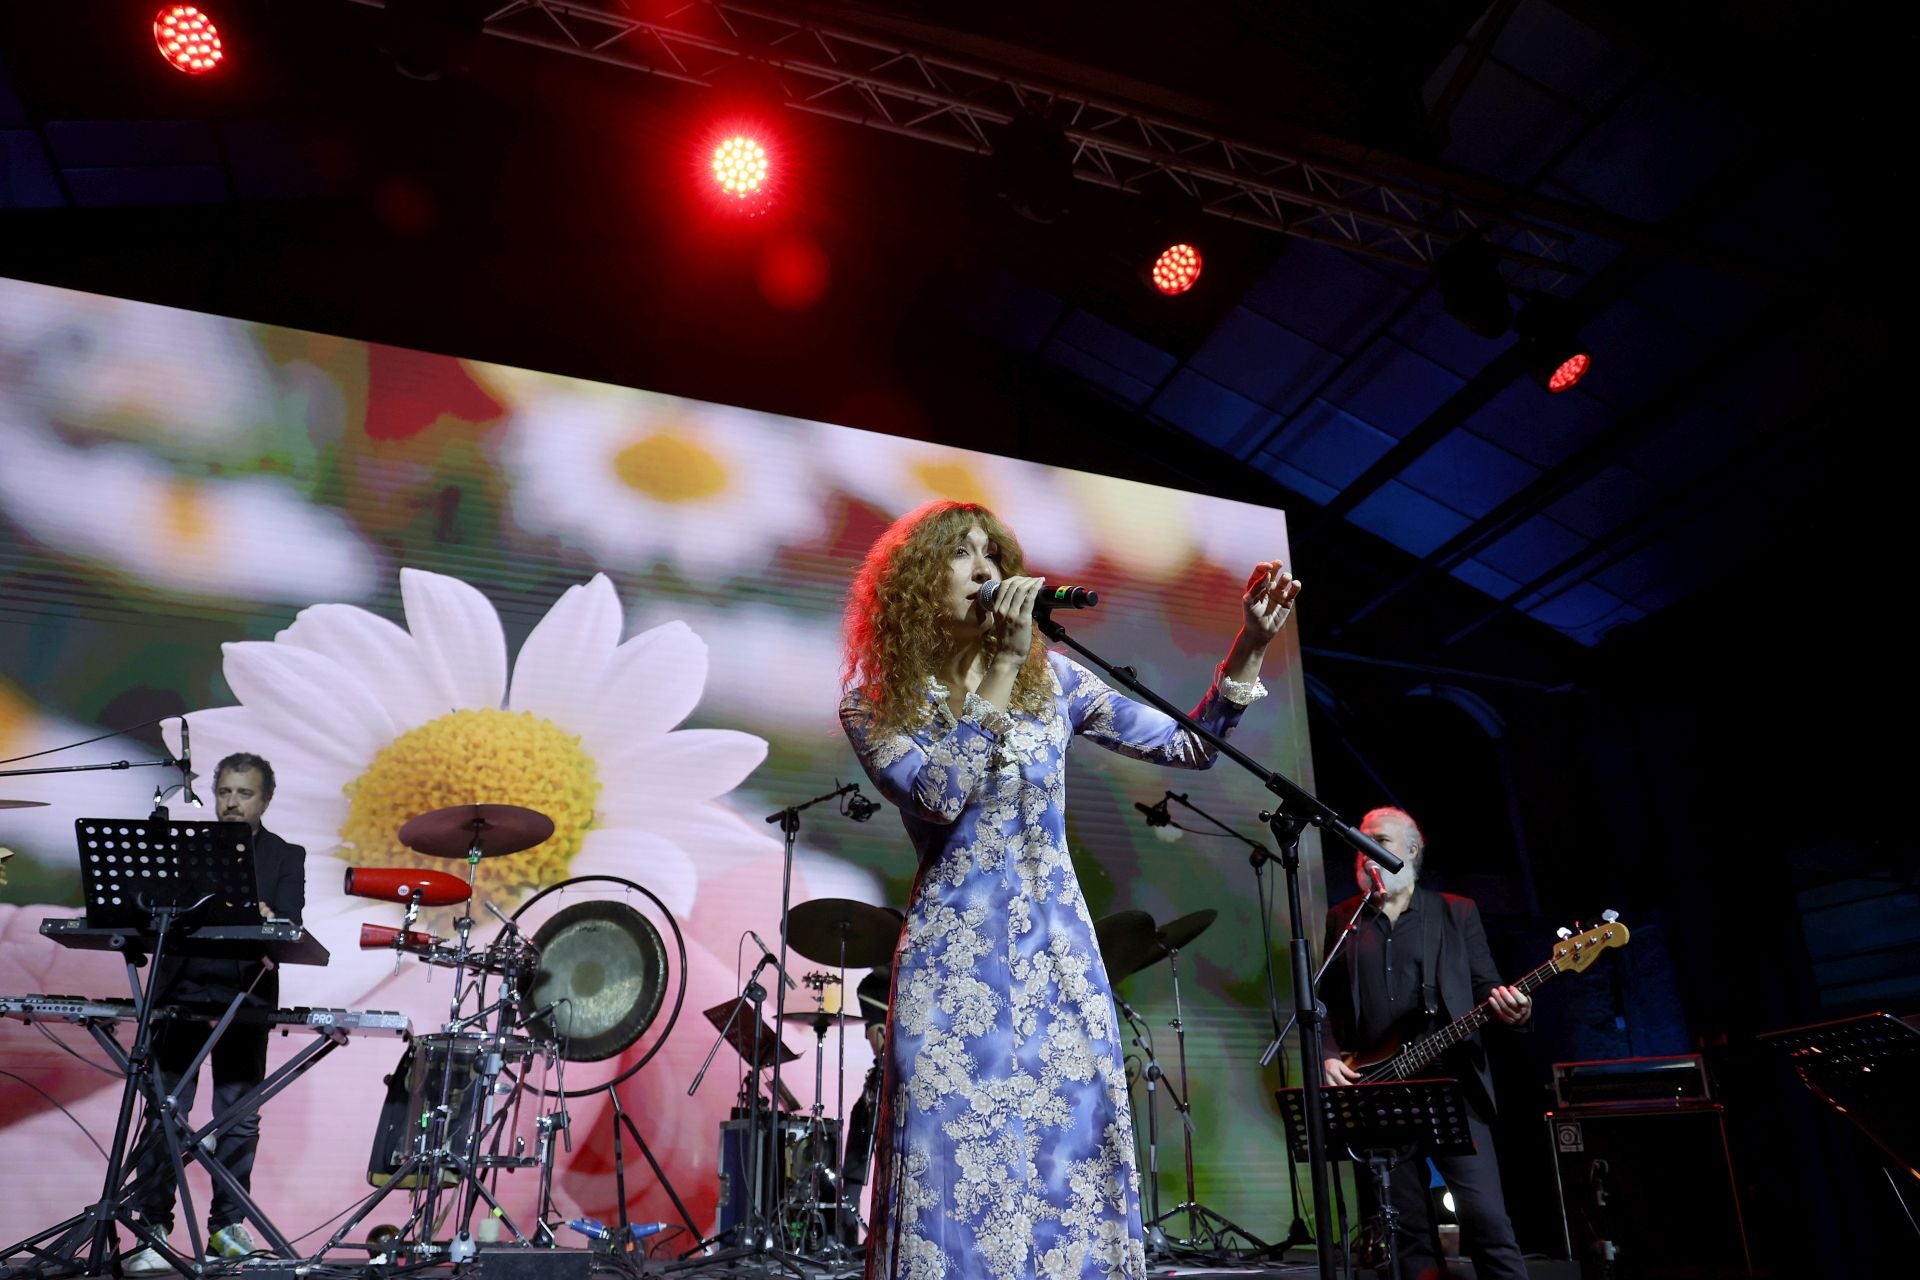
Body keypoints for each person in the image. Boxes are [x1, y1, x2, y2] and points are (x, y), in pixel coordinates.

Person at [839, 499, 1300, 1280]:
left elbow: (1189, 746)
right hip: (956, 974)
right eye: (960, 553)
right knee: (953, 1177)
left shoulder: (1053, 683)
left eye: (994, 552)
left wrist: (1250, 646)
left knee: (1066, 1171)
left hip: (1059, 962)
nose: (985, 566)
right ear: (918, 583)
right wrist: (997, 667)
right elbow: (943, 795)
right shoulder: (876, 700)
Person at [1319, 806, 1530, 1280]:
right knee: (1405, 1236)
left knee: (1488, 1222)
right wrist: (1329, 1056)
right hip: (1377, 1092)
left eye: (1379, 840)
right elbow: (1322, 1006)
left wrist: (1518, 1010)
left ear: (1412, 851)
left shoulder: (1455, 912)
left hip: (1451, 1089)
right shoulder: (1343, 921)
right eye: (1360, 844)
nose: (1364, 851)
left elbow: (1487, 989)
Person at [126, 753, 307, 1273]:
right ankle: (152, 1227)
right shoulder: (188, 849)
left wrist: (271, 917)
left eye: (243, 793)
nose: (231, 802)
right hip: (182, 992)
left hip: (244, 996)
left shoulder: (285, 856)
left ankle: (228, 1226)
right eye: (225, 791)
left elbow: (291, 922)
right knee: (164, 1113)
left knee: (239, 1118)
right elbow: (156, 911)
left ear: (265, 800)